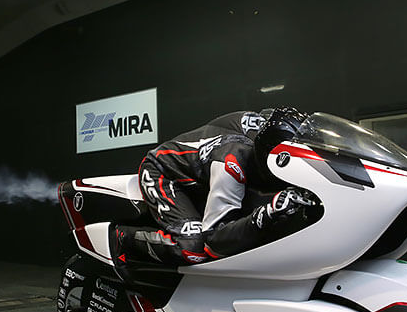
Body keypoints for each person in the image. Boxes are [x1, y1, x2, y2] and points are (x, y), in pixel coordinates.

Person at [113, 107, 318, 271]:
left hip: (206, 170)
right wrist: (266, 214)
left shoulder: (275, 128)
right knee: (193, 249)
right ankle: (122, 239)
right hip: (165, 171)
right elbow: (213, 242)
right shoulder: (232, 164)